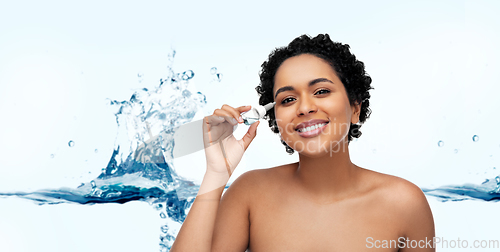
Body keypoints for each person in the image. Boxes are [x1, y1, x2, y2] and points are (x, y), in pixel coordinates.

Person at [171, 34, 435, 251]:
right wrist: (216, 175)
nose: (305, 107)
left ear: (355, 107)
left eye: (321, 91)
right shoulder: (250, 193)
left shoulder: (404, 203)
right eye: (287, 99)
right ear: (275, 119)